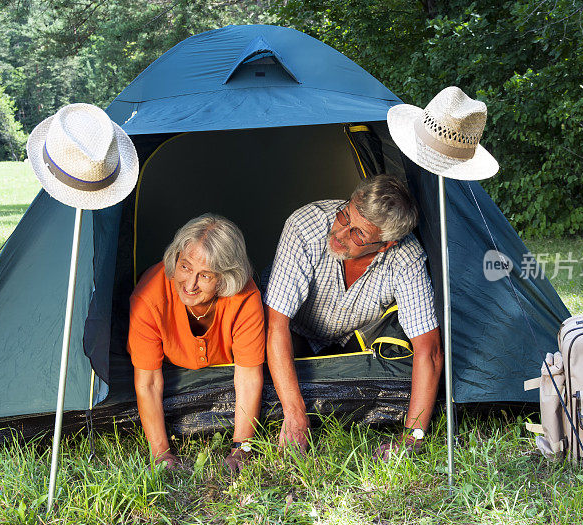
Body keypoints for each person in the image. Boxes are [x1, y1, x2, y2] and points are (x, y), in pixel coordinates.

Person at [264, 174, 443, 460]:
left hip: (354, 343)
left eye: (358, 234)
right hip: (294, 335)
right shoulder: (304, 226)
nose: (340, 233)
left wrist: (413, 437)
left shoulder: (407, 257)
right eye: (345, 216)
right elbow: (276, 326)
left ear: (386, 244)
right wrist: (295, 416)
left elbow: (429, 351)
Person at [127, 214, 265, 473]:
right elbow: (148, 382)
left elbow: (248, 378)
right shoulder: (149, 298)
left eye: (205, 275)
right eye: (185, 267)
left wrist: (242, 448)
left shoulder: (245, 297)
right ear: (175, 258)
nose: (189, 284)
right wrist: (161, 454)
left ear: (225, 277)